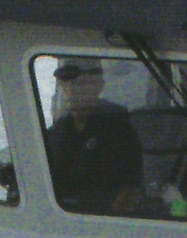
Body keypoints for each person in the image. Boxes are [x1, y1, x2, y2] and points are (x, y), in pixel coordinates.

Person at [43, 60, 143, 214]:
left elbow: (131, 188)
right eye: (66, 84)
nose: (71, 90)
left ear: (99, 86)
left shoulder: (119, 130)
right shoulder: (57, 133)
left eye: (80, 84)